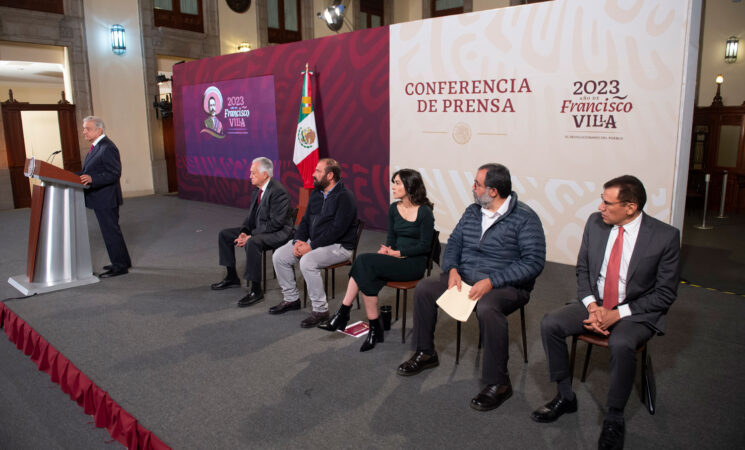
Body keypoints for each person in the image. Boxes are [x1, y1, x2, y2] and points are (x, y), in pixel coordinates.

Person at [530, 175, 680, 450]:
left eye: (607, 202)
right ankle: (565, 396)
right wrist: (592, 306)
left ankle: (614, 417)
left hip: (636, 310)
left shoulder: (665, 237)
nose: (600, 207)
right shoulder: (595, 223)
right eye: (601, 199)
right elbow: (583, 270)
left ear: (631, 207)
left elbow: (664, 294)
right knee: (551, 323)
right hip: (595, 302)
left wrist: (618, 313)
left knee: (621, 343)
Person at [396, 163, 546, 412]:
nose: (472, 188)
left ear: (494, 191)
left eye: (477, 184)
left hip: (505, 284)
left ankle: (499, 383)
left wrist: (492, 282)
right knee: (424, 288)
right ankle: (425, 352)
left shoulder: (525, 218)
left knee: (487, 308)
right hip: (463, 276)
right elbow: (454, 242)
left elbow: (533, 263)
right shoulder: (473, 211)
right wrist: (452, 268)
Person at [319, 169, 436, 352]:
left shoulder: (424, 212)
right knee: (367, 269)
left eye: (397, 183)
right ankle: (373, 327)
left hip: (413, 263)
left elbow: (425, 246)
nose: (393, 187)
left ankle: (346, 314)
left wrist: (398, 253)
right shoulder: (393, 208)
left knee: (363, 263)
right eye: (393, 182)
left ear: (410, 185)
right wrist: (386, 249)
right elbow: (391, 238)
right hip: (395, 258)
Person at [271, 158, 358, 328]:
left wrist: (311, 246)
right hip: (314, 241)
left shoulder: (345, 197)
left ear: (330, 175)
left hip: (339, 246)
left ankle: (320, 310)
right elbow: (304, 221)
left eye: (318, 171)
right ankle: (291, 299)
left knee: (307, 261)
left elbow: (337, 230)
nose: (313, 174)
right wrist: (299, 240)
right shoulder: (317, 194)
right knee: (279, 256)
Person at [211, 157, 293, 307]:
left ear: (265, 174)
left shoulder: (278, 192)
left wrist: (251, 236)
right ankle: (231, 277)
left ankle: (256, 290)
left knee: (253, 243)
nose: (250, 176)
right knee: (224, 234)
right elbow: (251, 217)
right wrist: (244, 231)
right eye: (250, 173)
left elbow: (276, 224)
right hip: (260, 229)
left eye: (253, 173)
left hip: (279, 232)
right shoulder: (257, 190)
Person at [78, 116, 131, 278]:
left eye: (87, 128)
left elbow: (114, 173)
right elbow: (90, 170)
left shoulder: (107, 147)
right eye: (84, 128)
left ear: (99, 130)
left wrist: (93, 179)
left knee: (111, 232)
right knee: (111, 231)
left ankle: (120, 266)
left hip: (106, 198)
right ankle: (122, 261)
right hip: (100, 197)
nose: (84, 131)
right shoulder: (97, 146)